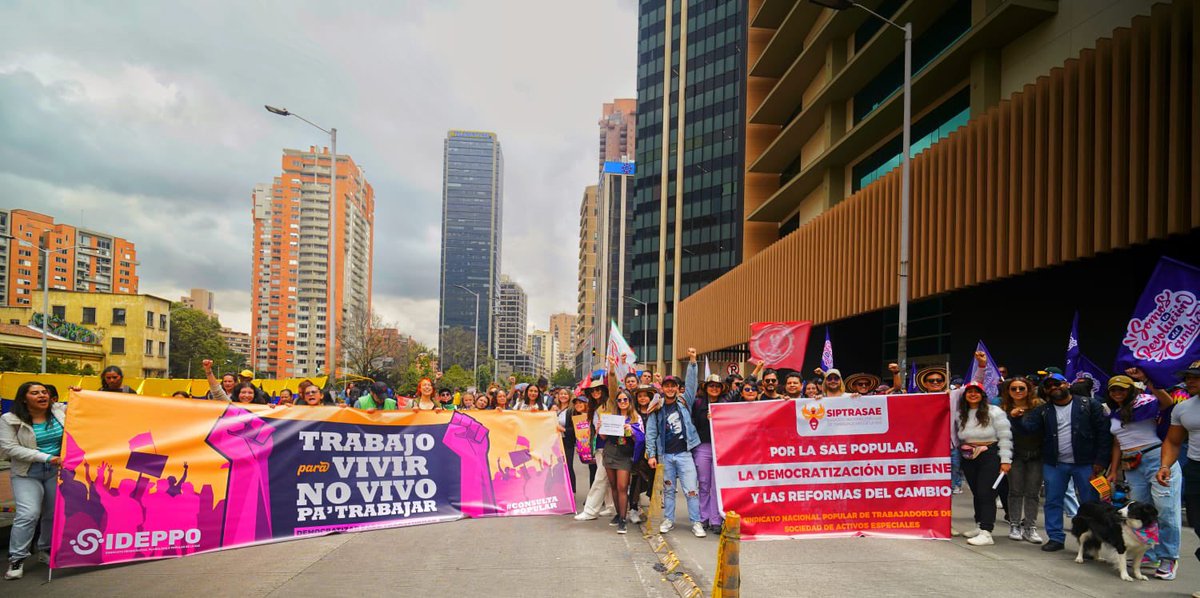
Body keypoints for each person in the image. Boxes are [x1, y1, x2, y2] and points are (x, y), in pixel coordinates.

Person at [1012, 372, 1111, 552]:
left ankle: (1090, 544)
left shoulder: (1089, 404)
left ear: (1066, 384)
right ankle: (1056, 538)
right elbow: (1029, 430)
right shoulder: (1043, 410)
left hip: (1086, 463)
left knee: (1090, 504)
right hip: (1055, 463)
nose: (1054, 388)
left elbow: (1104, 434)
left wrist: (1101, 461)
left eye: (1057, 384)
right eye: (1049, 386)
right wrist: (1017, 419)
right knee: (1053, 501)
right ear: (1045, 390)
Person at [1105, 370, 1181, 579]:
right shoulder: (1114, 413)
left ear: (1131, 390)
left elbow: (1167, 402)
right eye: (1113, 389)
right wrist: (1113, 470)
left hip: (1157, 459)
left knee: (1165, 511)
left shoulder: (1146, 403)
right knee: (1137, 511)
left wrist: (1147, 379)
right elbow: (1117, 443)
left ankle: (1168, 557)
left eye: (1122, 388)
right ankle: (1149, 553)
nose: (1117, 392)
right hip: (1131, 464)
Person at [1, 382, 66, 580]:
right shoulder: (9, 419)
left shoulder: (59, 410)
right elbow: (8, 449)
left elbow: (90, 407)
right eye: (35, 393)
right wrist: (46, 457)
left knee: (52, 513)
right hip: (27, 472)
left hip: (56, 471)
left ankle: (45, 549)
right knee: (28, 513)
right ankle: (17, 558)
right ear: (23, 398)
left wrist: (80, 393)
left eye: (44, 392)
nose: (41, 395)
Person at [646, 348, 706, 538]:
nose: (670, 388)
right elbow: (651, 432)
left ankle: (696, 522)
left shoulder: (684, 400)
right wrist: (652, 454)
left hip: (685, 454)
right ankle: (669, 519)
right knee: (669, 490)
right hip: (665, 455)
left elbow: (691, 384)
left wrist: (692, 361)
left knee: (691, 490)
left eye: (673, 386)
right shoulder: (656, 407)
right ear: (662, 388)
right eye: (667, 386)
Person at [954, 381, 1013, 546]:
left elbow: (1005, 436)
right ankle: (979, 525)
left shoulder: (995, 411)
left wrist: (1005, 460)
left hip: (990, 455)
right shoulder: (960, 414)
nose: (973, 394)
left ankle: (987, 532)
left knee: (986, 492)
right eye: (969, 392)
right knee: (977, 493)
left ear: (983, 394)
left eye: (977, 391)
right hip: (969, 457)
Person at [1156, 360, 1200, 577]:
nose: (1190, 380)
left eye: (1196, 377)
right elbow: (1173, 442)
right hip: (1195, 469)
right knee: (1198, 524)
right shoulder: (1183, 408)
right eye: (1188, 377)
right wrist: (1165, 465)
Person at [1000, 377, 1044, 543]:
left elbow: (1039, 429)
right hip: (1015, 454)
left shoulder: (1038, 406)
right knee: (1015, 491)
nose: (1018, 392)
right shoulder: (1003, 408)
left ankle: (1030, 528)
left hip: (1036, 454)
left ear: (1028, 389)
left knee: (1033, 493)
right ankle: (1015, 525)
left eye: (1021, 388)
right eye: (1013, 389)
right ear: (1008, 391)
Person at [597, 388, 645, 534]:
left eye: (625, 399)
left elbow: (641, 438)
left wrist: (631, 431)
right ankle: (619, 514)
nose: (623, 402)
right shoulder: (612, 417)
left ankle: (623, 520)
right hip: (610, 452)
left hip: (625, 455)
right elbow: (604, 438)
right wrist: (600, 429)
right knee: (613, 487)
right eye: (620, 400)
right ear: (616, 402)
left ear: (630, 401)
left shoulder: (636, 417)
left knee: (622, 486)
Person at [575, 377, 617, 521]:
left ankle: (590, 511)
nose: (595, 392)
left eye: (598, 389)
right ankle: (611, 507)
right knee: (606, 479)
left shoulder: (609, 403)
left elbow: (613, 386)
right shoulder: (593, 407)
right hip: (599, 447)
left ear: (604, 390)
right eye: (592, 390)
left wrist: (612, 370)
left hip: (610, 447)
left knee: (600, 479)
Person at [694, 374, 724, 532]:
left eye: (717, 386)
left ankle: (716, 519)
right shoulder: (698, 404)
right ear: (706, 388)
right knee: (704, 483)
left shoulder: (725, 404)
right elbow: (693, 424)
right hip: (703, 446)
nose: (714, 388)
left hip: (720, 447)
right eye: (711, 386)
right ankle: (703, 517)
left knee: (716, 485)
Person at [558, 393, 592, 495]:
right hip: (559, 442)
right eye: (576, 403)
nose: (578, 405)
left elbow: (573, 430)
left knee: (569, 466)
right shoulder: (576, 414)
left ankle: (574, 492)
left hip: (588, 445)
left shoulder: (577, 413)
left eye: (581, 402)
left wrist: (563, 429)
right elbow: (578, 431)